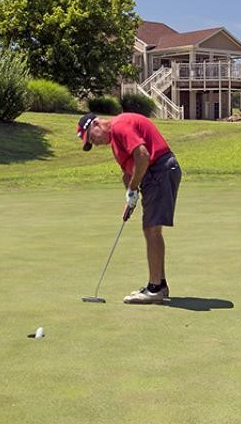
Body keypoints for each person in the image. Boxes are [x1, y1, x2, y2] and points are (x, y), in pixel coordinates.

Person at [77, 112, 182, 304]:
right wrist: (130, 199)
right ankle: (159, 284)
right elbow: (128, 173)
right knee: (151, 228)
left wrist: (134, 189)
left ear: (97, 124)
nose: (95, 143)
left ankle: (155, 288)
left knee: (152, 229)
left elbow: (142, 155)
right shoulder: (115, 144)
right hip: (154, 173)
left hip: (160, 169)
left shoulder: (120, 125)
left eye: (92, 137)